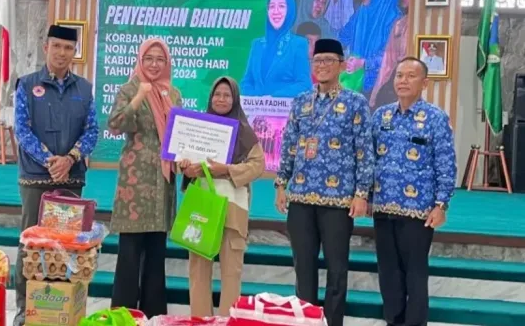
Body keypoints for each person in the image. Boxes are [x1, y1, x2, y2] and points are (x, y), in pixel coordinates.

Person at [274, 38, 374, 326]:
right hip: (301, 197)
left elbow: (364, 151)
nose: (322, 66)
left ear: (341, 66)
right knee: (303, 269)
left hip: (338, 200)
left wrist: (361, 193)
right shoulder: (301, 101)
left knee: (336, 270)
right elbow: (289, 144)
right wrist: (281, 184)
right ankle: (306, 322)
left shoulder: (355, 102)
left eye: (329, 60)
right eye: (318, 61)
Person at [12, 25, 98, 326]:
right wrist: (51, 161)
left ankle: (61, 312)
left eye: (68, 48)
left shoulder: (84, 89)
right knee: (31, 245)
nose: (62, 53)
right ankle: (25, 311)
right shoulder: (26, 85)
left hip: (71, 180)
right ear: (45, 47)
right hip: (36, 177)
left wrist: (70, 159)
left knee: (68, 248)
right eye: (57, 46)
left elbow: (92, 131)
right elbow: (22, 130)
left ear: (74, 52)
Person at [371, 57, 456, 326]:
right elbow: (369, 159)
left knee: (415, 274)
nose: (403, 81)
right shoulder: (381, 116)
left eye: (411, 76)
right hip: (383, 207)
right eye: (399, 75)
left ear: (424, 83)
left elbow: (446, 163)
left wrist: (441, 205)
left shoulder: (435, 118)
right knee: (388, 274)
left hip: (418, 211)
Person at [178, 77, 266, 317]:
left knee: (231, 272)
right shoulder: (199, 128)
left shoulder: (245, 132)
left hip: (233, 209)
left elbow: (257, 166)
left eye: (227, 95)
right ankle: (199, 320)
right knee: (198, 270)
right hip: (202, 206)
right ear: (210, 98)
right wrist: (186, 168)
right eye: (217, 94)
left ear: (235, 99)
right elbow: (184, 161)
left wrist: (226, 169)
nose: (221, 99)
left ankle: (228, 320)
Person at [108, 38, 182, 318]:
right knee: (129, 254)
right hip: (135, 185)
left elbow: (178, 134)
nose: (154, 64)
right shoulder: (129, 89)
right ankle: (123, 317)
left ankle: (154, 317)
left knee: (156, 255)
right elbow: (115, 124)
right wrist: (140, 95)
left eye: (160, 59)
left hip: (162, 184)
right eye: (149, 58)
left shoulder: (173, 94)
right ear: (140, 60)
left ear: (167, 63)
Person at [339, 0, 402, 94]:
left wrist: (363, 63)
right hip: (354, 81)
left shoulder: (396, 20)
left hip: (381, 89)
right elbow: (343, 36)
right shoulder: (361, 12)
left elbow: (390, 56)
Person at [241, 0, 312, 98]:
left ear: (290, 10)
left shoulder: (298, 44)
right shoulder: (257, 44)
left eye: (281, 6)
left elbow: (304, 84)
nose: (276, 11)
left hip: (284, 108)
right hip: (255, 108)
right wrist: (255, 98)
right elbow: (247, 81)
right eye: (272, 6)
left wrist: (273, 99)